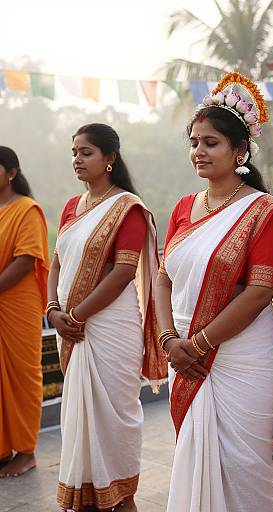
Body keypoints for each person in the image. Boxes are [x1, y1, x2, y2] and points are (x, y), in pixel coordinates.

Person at [155, 72, 273, 512]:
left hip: (241, 358)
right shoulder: (185, 208)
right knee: (195, 457)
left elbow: (259, 293)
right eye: (194, 142)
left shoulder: (266, 213)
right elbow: (163, 276)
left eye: (211, 143)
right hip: (183, 354)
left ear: (239, 151)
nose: (199, 152)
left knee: (245, 469)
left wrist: (199, 344)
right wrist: (171, 342)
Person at [47, 123, 167, 512]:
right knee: (79, 417)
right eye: (74, 152)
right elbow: (56, 263)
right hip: (71, 326)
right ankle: (85, 497)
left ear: (109, 159)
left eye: (86, 152)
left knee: (115, 415)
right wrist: (52, 310)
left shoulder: (127, 207)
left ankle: (121, 498)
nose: (77, 160)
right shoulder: (71, 207)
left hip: (109, 327)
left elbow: (122, 273)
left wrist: (77, 314)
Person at [0, 147, 49, 478]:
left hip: (15, 305)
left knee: (19, 375)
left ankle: (26, 451)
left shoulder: (26, 210)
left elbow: (26, 259)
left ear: (12, 173)